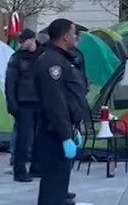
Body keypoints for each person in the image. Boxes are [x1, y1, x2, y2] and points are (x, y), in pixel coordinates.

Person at [35, 18, 87, 205]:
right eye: (73, 34)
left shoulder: (64, 58)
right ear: (65, 36)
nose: (75, 37)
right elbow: (55, 101)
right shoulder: (52, 62)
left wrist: (74, 128)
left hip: (64, 128)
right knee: (52, 184)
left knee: (60, 182)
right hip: (53, 132)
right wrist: (65, 136)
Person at [6, 29, 41, 182]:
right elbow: (10, 83)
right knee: (23, 139)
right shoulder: (16, 58)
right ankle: (19, 170)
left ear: (32, 39)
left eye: (23, 41)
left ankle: (36, 167)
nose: (21, 44)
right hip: (23, 104)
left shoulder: (43, 55)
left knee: (39, 138)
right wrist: (12, 104)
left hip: (41, 102)